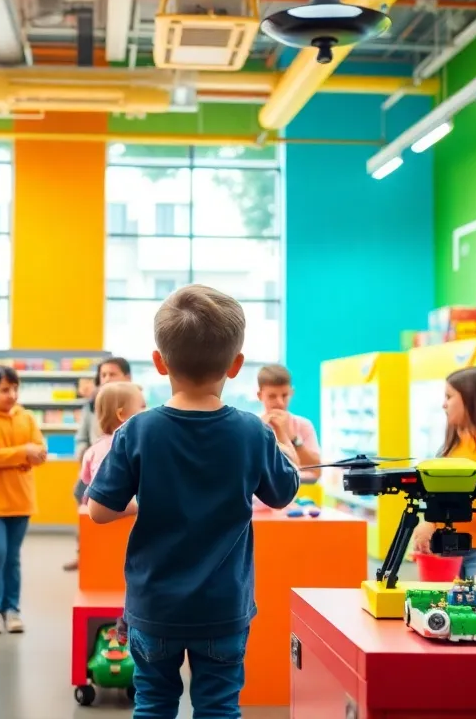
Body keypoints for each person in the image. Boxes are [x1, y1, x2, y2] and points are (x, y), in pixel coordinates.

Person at [87, 285, 300, 719]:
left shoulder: (137, 431)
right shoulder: (252, 432)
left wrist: (144, 502)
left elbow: (99, 510)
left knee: (153, 703)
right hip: (223, 607)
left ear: (159, 361)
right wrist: (286, 448)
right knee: (219, 707)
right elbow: (281, 493)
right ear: (236, 365)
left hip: (153, 605)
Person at [410, 367, 476, 578]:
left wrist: (437, 519)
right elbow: (438, 495)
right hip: (446, 547)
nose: (444, 404)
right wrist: (430, 523)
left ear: (470, 398)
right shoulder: (452, 443)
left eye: (449, 396)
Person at [0, 364, 47, 635]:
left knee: (12, 558)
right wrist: (23, 453)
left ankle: (12, 608)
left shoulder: (26, 417)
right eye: (5, 389)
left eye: (15, 388)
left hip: (21, 501)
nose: (12, 395)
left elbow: (41, 452)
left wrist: (10, 455)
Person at [65, 356, 132, 571]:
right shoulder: (91, 407)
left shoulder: (134, 402)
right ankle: (84, 553)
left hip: (126, 472)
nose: (107, 378)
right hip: (94, 470)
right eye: (103, 375)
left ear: (127, 377)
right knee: (85, 506)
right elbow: (81, 438)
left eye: (112, 374)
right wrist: (86, 454)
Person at [79, 381, 146, 497]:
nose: (148, 411)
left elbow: (85, 479)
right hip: (127, 504)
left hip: (98, 504)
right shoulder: (134, 447)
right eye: (142, 407)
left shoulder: (93, 450)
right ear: (121, 414)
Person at [256, 364, 322, 478]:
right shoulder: (252, 426)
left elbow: (317, 471)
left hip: (299, 489)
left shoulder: (303, 425)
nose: (280, 402)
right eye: (272, 396)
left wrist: (293, 439)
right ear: (260, 395)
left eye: (284, 395)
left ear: (292, 392)